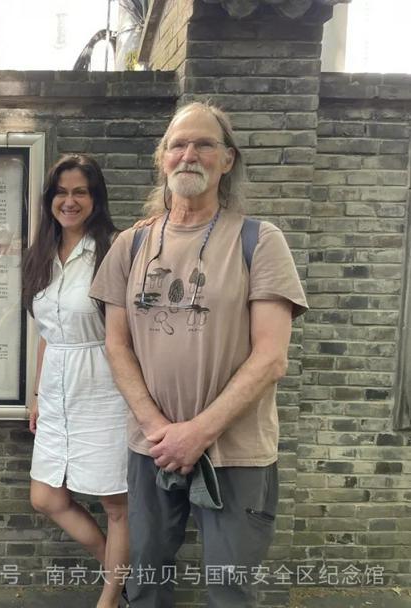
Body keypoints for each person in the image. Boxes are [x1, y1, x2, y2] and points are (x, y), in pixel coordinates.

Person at [90, 102, 308, 607]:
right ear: (162, 158)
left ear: (227, 160)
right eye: (178, 144)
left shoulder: (259, 240)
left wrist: (198, 432)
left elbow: (271, 357)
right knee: (145, 584)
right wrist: (156, 428)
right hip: (153, 449)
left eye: (205, 144)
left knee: (230, 590)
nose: (190, 154)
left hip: (236, 452)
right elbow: (116, 344)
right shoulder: (131, 245)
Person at [23, 154, 129, 608]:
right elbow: (49, 332)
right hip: (57, 388)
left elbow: (128, 332)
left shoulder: (115, 249)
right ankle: (123, 570)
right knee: (45, 496)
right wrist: (37, 396)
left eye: (80, 192)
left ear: (95, 198)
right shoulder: (43, 255)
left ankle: (110, 595)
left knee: (115, 504)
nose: (70, 201)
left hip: (105, 386)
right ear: (50, 200)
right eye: (61, 192)